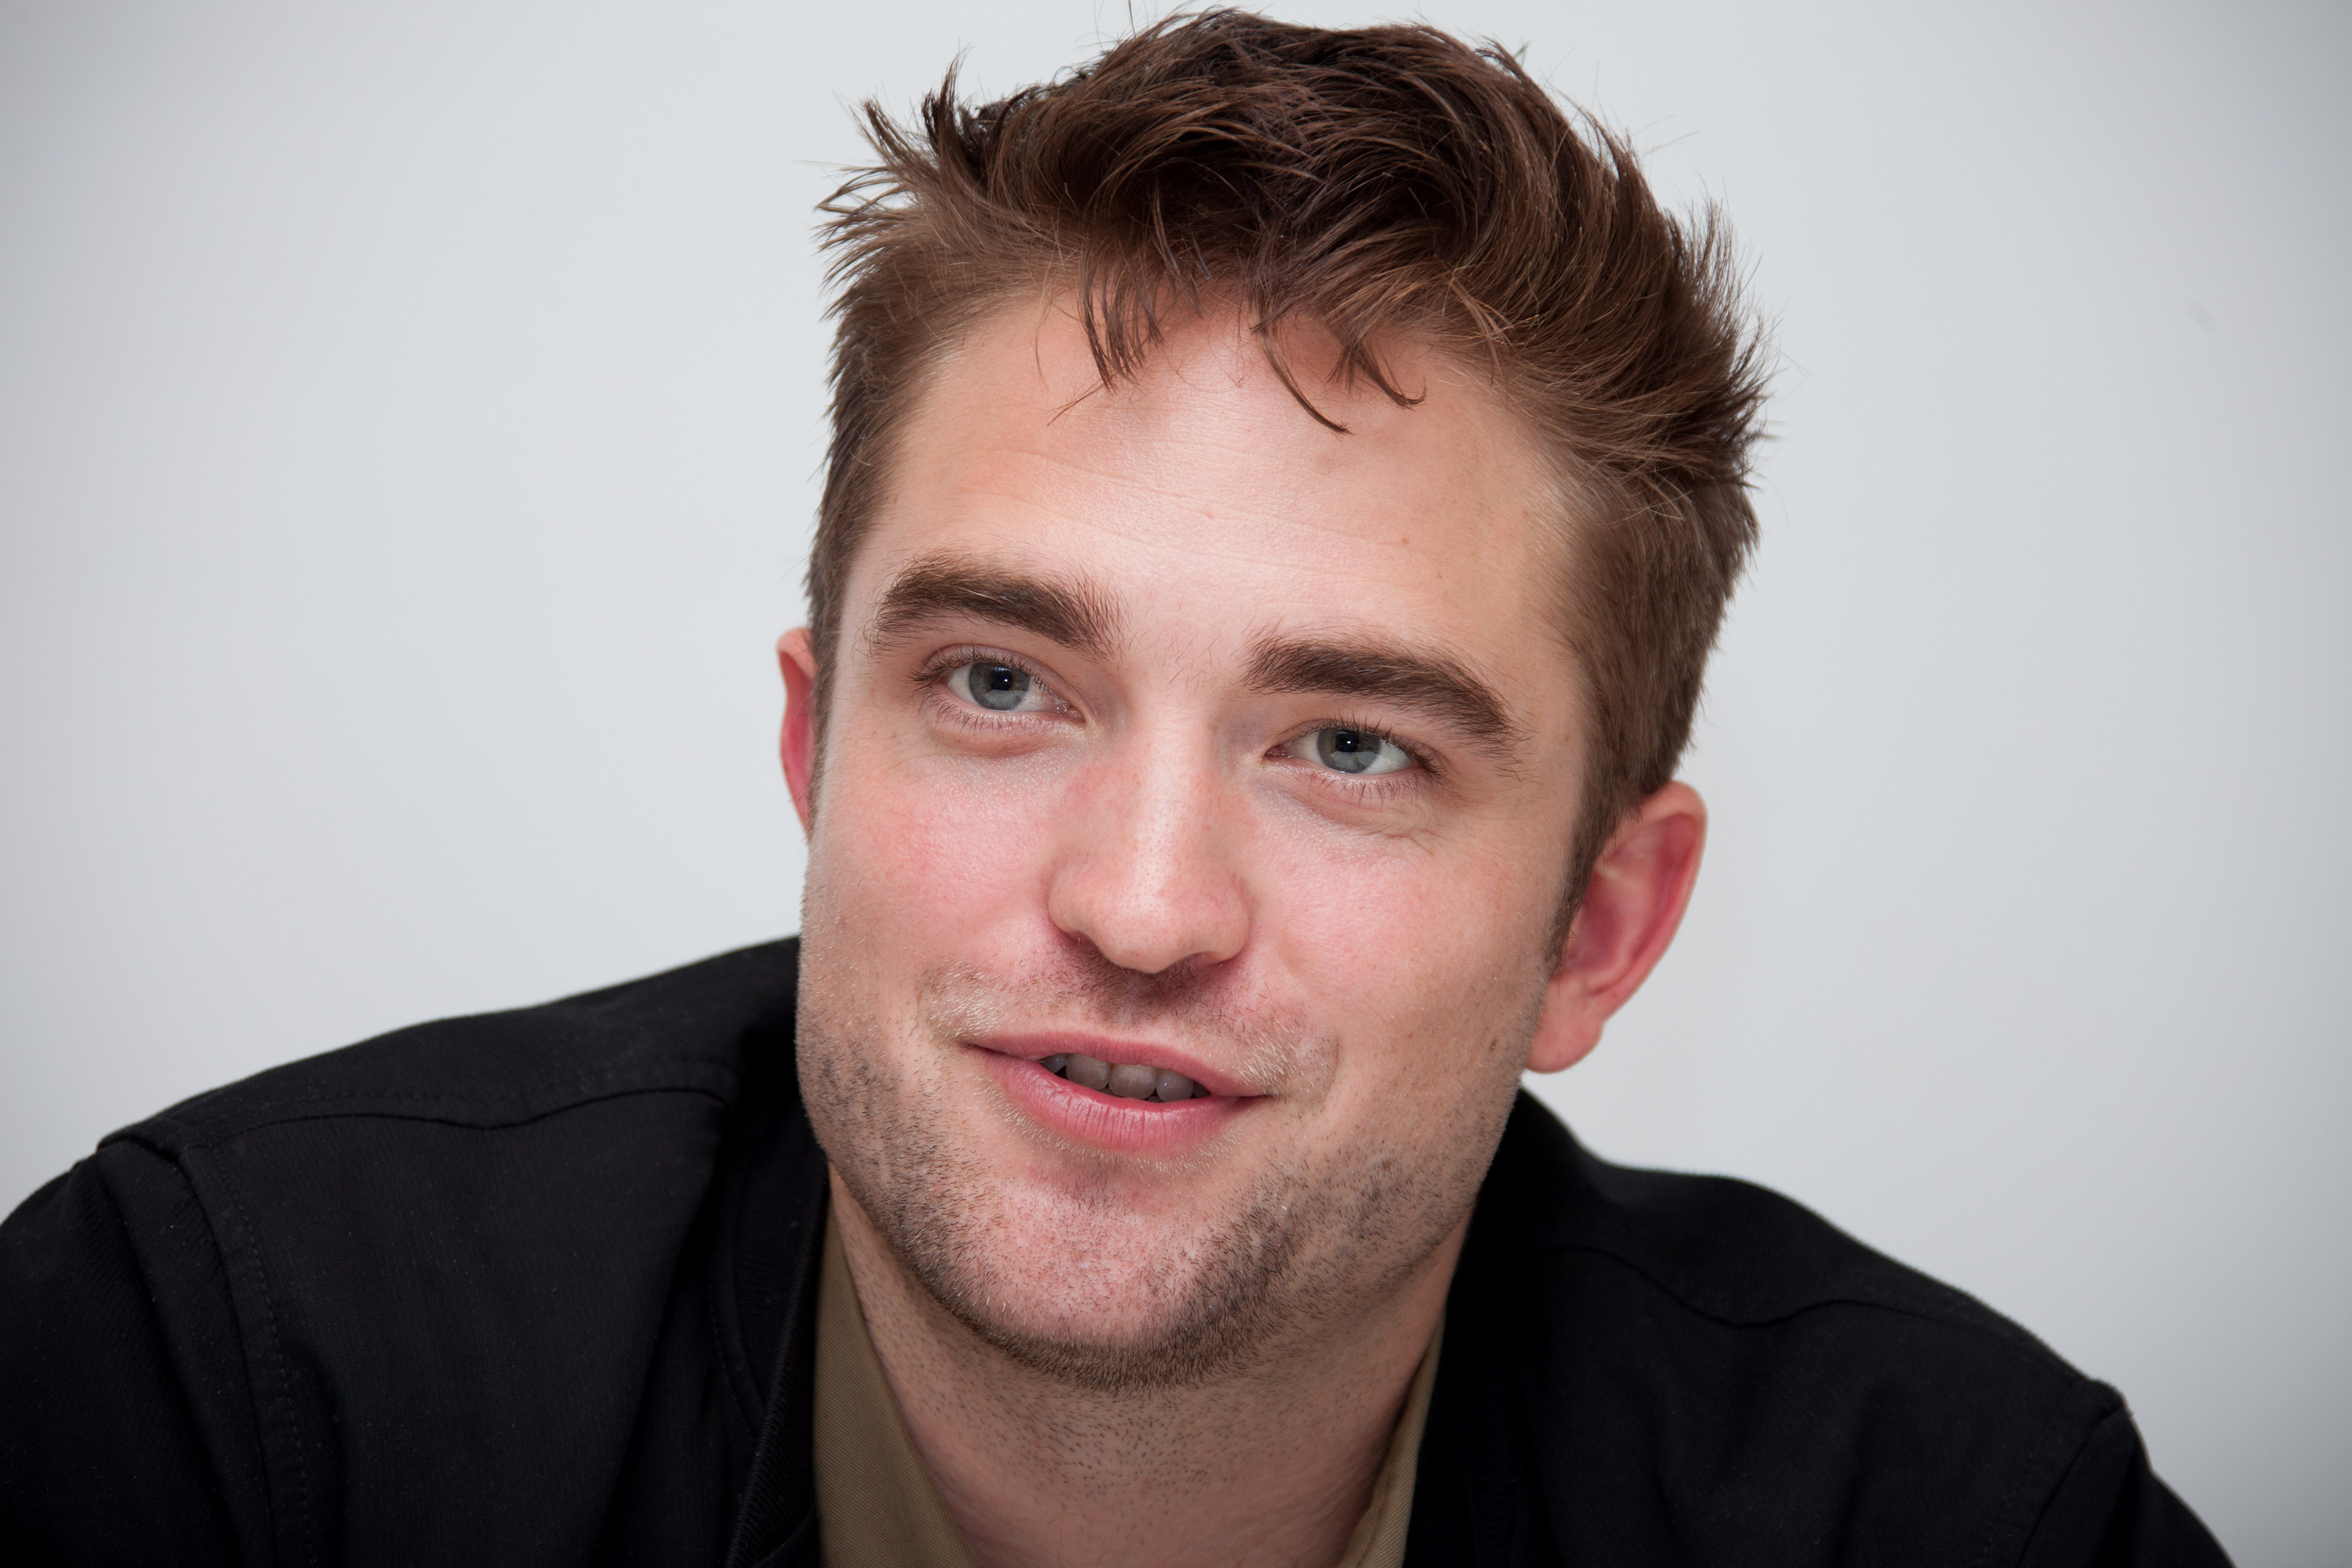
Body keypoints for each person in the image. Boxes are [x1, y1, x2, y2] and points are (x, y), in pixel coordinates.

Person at [0, 12, 2229, 1566]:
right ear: (812, 753)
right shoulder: (225, 1387)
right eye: (1002, 683)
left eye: (1353, 746)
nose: (1144, 906)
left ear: (1600, 927)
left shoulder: (1955, 1519)